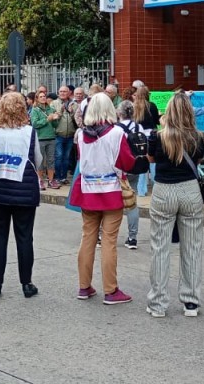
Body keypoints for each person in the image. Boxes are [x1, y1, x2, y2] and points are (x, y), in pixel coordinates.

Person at [70, 93, 148, 306]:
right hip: (111, 189)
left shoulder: (80, 134)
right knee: (109, 241)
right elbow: (125, 161)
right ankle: (111, 290)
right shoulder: (116, 133)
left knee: (88, 238)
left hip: (87, 189)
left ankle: (84, 286)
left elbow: (80, 159)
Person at [0, 92, 41, 299]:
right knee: (24, 237)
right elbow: (36, 159)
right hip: (22, 188)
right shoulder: (29, 131)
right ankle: (26, 283)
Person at [146, 92, 204, 318]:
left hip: (164, 190)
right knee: (192, 247)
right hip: (190, 189)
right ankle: (191, 301)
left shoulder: (157, 137)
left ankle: (158, 303)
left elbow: (151, 159)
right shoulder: (198, 137)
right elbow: (198, 161)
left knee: (159, 247)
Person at [116, 99, 143, 250]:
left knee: (115, 202)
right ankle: (132, 237)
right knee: (132, 202)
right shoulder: (138, 126)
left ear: (119, 113)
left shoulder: (116, 129)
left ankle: (104, 234)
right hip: (135, 167)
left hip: (120, 168)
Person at [133, 86, 160, 197]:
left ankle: (141, 190)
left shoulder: (134, 107)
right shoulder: (152, 106)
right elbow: (157, 121)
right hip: (152, 136)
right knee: (153, 162)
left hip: (139, 137)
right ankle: (156, 188)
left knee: (141, 163)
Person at [49, 85, 77, 189]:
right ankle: (57, 177)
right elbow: (52, 117)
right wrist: (60, 112)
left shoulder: (74, 104)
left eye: (65, 91)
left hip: (70, 134)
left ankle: (64, 177)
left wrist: (71, 111)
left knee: (66, 157)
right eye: (60, 91)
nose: (62, 93)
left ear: (69, 92)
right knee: (59, 156)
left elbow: (77, 118)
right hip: (58, 134)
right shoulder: (54, 103)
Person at [29, 91, 57, 191]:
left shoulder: (51, 109)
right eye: (40, 96)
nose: (43, 98)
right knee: (40, 160)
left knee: (51, 160)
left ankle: (51, 180)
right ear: (37, 98)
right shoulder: (35, 110)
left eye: (44, 96)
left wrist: (56, 119)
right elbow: (35, 124)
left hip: (51, 137)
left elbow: (55, 126)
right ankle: (40, 180)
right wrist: (47, 120)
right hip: (40, 138)